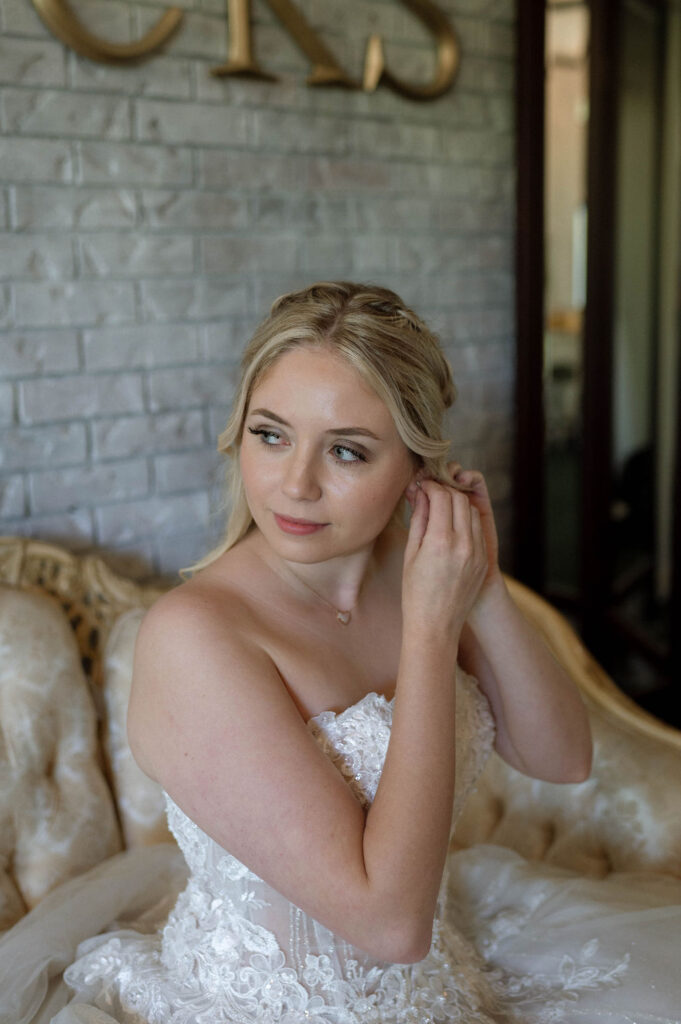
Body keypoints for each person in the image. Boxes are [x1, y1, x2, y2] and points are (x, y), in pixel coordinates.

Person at [4, 282, 681, 1024]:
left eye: (347, 451)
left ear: (415, 468)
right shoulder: (197, 635)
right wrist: (429, 633)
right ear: (239, 435)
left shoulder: (421, 568)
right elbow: (389, 924)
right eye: (271, 435)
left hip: (434, 981)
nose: (295, 485)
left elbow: (562, 758)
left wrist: (481, 585)